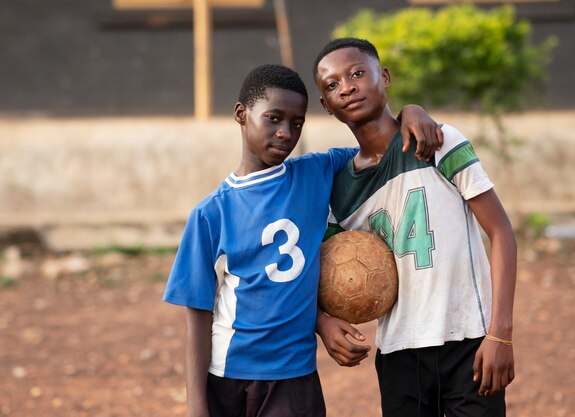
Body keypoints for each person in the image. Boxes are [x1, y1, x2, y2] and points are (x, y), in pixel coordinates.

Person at [162, 64, 442, 417]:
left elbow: (379, 145)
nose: (285, 133)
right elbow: (198, 316)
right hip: (228, 375)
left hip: (295, 376)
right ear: (241, 114)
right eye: (274, 119)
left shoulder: (316, 172)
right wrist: (196, 404)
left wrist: (410, 112)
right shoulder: (210, 214)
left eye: (296, 124)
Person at [313, 38, 517, 417]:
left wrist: (500, 332)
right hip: (398, 356)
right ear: (326, 106)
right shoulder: (340, 192)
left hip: (469, 341)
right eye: (332, 85)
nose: (348, 86)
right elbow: (317, 272)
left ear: (384, 76)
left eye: (358, 73)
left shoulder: (436, 142)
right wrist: (323, 323)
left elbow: (502, 232)